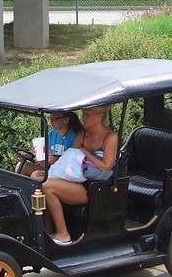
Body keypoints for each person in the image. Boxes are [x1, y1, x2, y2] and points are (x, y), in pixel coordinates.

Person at [41, 105, 118, 245]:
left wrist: (85, 152)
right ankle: (47, 228)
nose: (83, 117)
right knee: (38, 179)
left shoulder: (111, 137)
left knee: (46, 185)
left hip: (95, 188)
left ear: (99, 116)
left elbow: (107, 166)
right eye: (83, 114)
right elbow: (71, 156)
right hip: (76, 180)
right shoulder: (82, 134)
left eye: (88, 114)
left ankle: (63, 234)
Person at [16, 111, 83, 178]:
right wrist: (34, 154)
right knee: (21, 166)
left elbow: (73, 162)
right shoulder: (52, 134)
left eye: (55, 118)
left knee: (36, 175)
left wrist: (52, 160)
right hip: (49, 168)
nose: (51, 121)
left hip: (64, 172)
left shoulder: (75, 137)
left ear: (66, 120)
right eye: (50, 118)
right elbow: (45, 153)